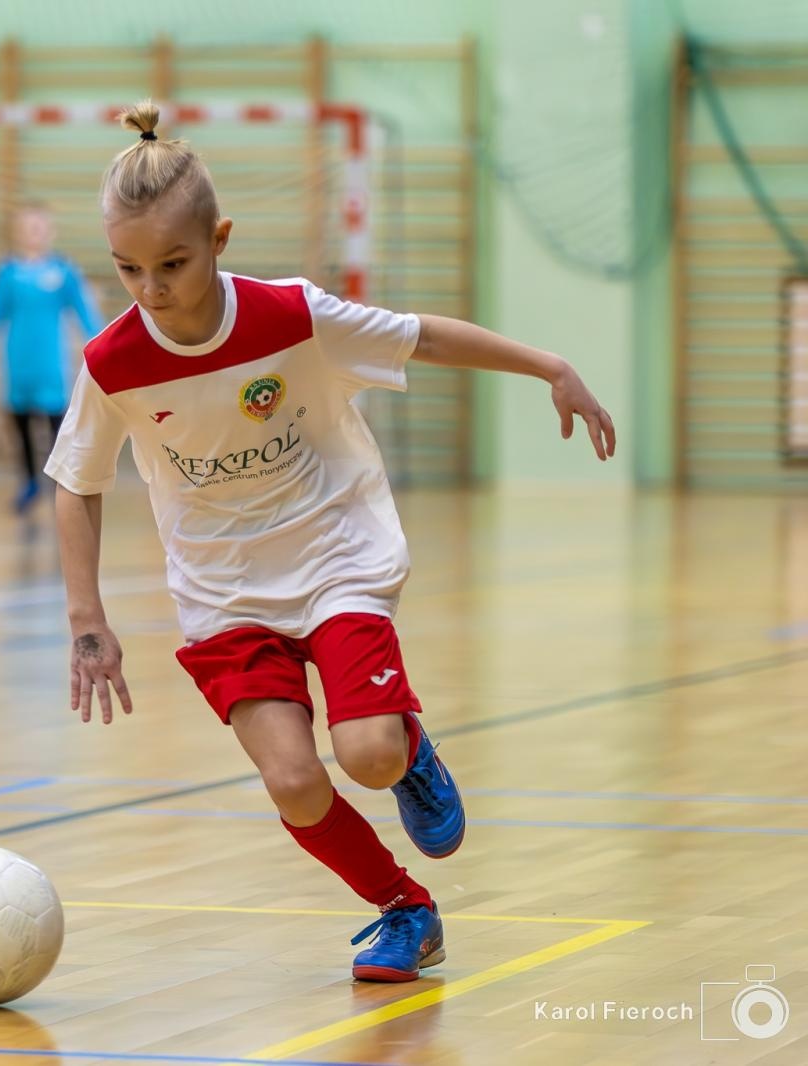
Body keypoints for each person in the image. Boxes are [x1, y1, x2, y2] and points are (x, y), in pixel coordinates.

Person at [48, 102, 616, 982]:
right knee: (294, 781)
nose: (151, 289)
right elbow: (76, 482)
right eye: (129, 269)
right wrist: (89, 619)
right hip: (223, 596)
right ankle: (405, 909)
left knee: (368, 755)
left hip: (334, 561)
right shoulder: (113, 363)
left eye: (173, 264)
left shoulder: (292, 318)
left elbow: (423, 336)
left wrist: (552, 366)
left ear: (220, 238)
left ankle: (407, 748)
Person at [0, 202, 103, 513]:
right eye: (29, 226)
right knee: (21, 425)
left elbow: (85, 313)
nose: (35, 232)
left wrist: (101, 346)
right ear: (19, 231)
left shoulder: (63, 271)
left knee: (58, 424)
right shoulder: (8, 273)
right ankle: (29, 483)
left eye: (40, 226)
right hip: (18, 363)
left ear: (50, 230)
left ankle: (63, 485)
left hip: (51, 365)